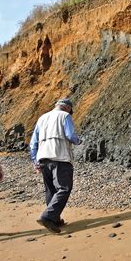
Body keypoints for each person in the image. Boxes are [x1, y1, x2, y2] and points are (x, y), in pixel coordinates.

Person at [30, 98, 82, 234]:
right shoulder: (65, 116)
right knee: (64, 188)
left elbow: (33, 142)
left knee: (51, 190)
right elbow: (70, 135)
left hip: (43, 157)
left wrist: (35, 160)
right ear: (68, 108)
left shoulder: (42, 118)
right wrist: (78, 141)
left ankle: (55, 219)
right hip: (60, 156)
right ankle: (47, 217)